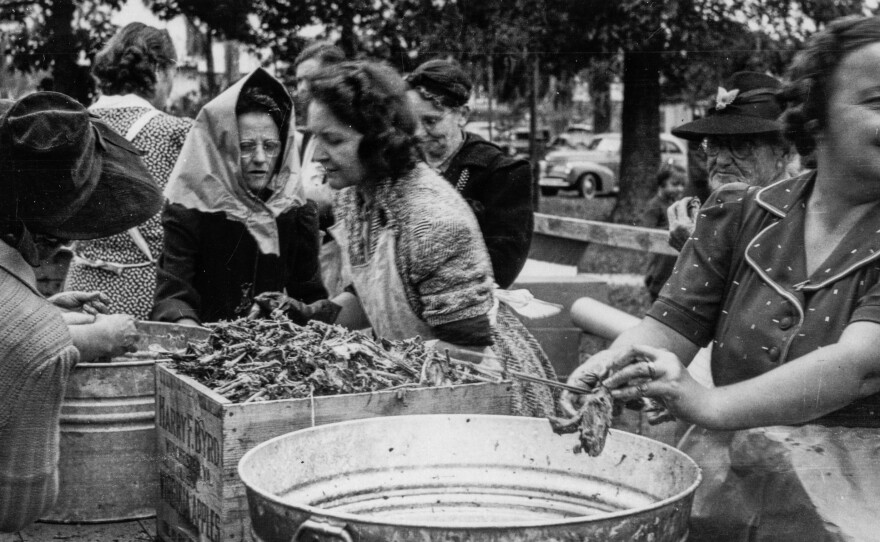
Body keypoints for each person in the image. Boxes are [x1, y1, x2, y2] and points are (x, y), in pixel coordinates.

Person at [563, 15, 880, 541]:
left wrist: (707, 402)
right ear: (817, 117)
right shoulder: (738, 215)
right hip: (733, 495)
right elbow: (670, 327)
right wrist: (612, 364)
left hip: (862, 507)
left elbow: (859, 365)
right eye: (876, 101)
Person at [252, 60, 557, 417]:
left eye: (333, 139)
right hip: (421, 384)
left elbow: (472, 355)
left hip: (486, 397)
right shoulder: (356, 196)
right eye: (313, 136)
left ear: (380, 140)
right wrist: (310, 315)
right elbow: (374, 294)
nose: (317, 155)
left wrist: (367, 365)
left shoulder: (431, 220)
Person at [0, 92, 162, 531]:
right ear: (52, 241)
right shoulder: (37, 343)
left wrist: (44, 312)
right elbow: (16, 507)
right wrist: (71, 337)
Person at [152, 68, 327, 325]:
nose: (259, 158)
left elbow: (310, 300)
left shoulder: (295, 212)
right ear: (223, 148)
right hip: (202, 343)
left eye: (269, 146)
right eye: (245, 147)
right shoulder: (189, 211)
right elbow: (174, 295)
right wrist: (193, 336)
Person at [64, 22, 193, 320]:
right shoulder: (176, 133)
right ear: (159, 70)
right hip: (144, 292)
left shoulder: (75, 124)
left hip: (78, 293)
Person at [405, 59, 533, 288]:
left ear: (462, 115)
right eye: (412, 122)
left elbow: (502, 268)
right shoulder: (403, 167)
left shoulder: (502, 174)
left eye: (431, 121)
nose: (418, 133)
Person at [667, 71, 798, 250]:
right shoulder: (712, 212)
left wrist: (697, 249)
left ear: (785, 151)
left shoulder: (800, 220)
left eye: (740, 147)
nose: (720, 161)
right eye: (713, 145)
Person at [641, 163, 686, 301]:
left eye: (682, 184)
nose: (680, 188)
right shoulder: (654, 206)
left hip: (673, 263)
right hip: (659, 267)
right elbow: (647, 234)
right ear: (661, 184)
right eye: (675, 184)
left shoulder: (676, 205)